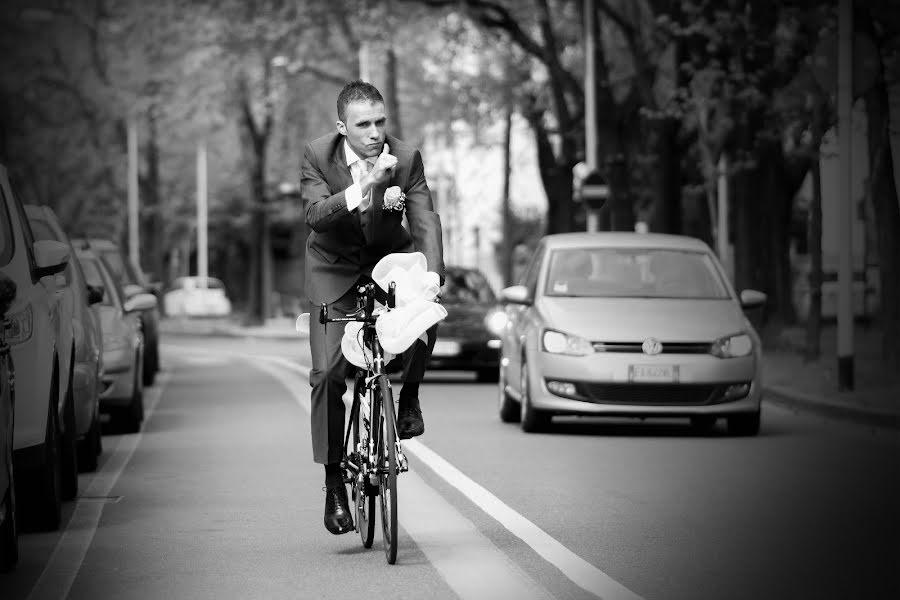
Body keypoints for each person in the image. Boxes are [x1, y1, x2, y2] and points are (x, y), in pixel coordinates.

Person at [300, 80, 444, 535]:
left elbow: (423, 218)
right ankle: (334, 484)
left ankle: (410, 397)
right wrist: (363, 188)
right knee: (328, 373)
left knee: (427, 308)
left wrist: (432, 275)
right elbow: (315, 215)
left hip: (386, 264)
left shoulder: (407, 157)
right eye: (363, 124)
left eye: (380, 121)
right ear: (342, 127)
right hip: (333, 268)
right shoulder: (318, 156)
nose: (375, 132)